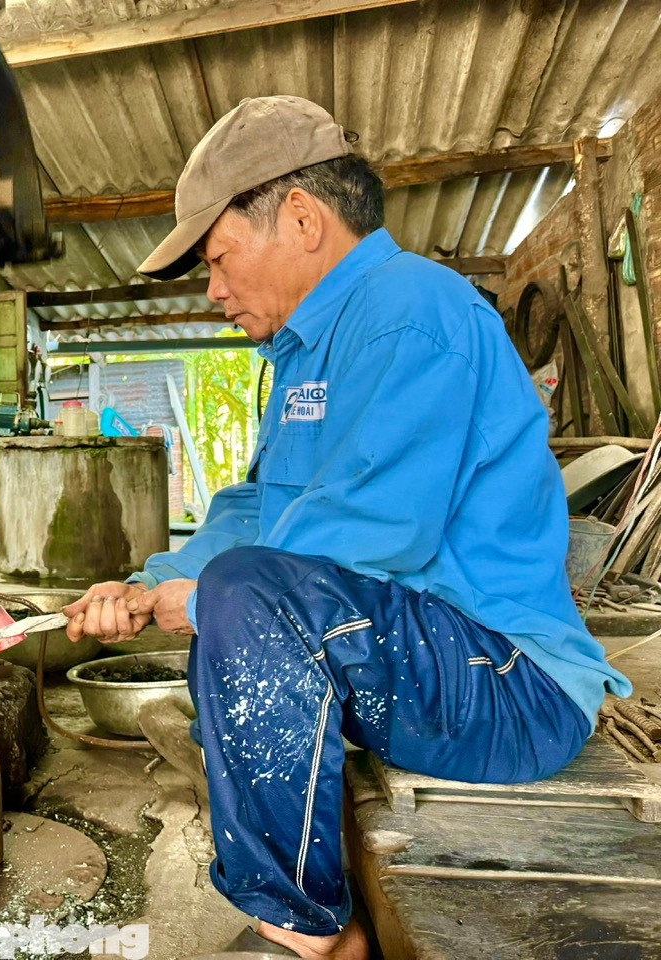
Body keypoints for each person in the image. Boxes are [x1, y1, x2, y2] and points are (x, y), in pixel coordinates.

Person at [61, 96, 630, 960]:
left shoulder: (414, 312)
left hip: (513, 686)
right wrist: (148, 585)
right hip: (422, 661)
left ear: (300, 218)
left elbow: (374, 528)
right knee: (240, 584)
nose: (213, 289)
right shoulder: (304, 353)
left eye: (219, 258)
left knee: (245, 596)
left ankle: (309, 933)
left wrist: (208, 595)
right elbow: (259, 511)